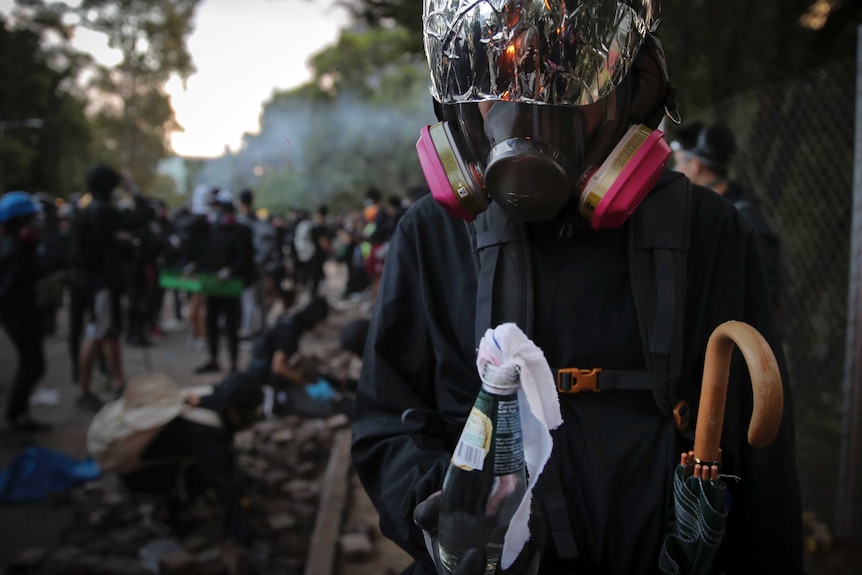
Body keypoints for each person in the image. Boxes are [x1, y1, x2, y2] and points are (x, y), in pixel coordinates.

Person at [350, 2, 804, 575]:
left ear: (629, 87)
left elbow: (765, 477)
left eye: (562, 75)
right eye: (495, 74)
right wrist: (438, 509)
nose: (524, 106)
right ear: (460, 100)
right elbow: (385, 421)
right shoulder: (432, 235)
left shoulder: (708, 232)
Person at [671, 122, 784, 321]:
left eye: (679, 161)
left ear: (695, 165)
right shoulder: (702, 211)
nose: (676, 168)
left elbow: (768, 293)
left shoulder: (743, 217)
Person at [74, 164, 132, 410]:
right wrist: (132, 192)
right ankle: (84, 391)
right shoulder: (104, 211)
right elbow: (134, 221)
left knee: (108, 332)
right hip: (103, 283)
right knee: (97, 332)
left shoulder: (89, 209)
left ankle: (119, 382)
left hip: (96, 282)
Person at [0, 191, 51, 433]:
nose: (38, 222)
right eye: (32, 218)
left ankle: (19, 416)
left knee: (32, 364)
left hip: (22, 314)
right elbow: (9, 289)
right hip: (19, 316)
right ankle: (15, 418)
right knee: (33, 365)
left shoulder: (20, 247)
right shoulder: (16, 250)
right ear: (20, 223)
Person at [194, 190, 254, 374]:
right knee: (212, 324)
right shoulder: (213, 231)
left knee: (231, 326)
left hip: (231, 287)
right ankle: (213, 359)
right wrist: (195, 267)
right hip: (214, 285)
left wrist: (231, 271)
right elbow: (206, 256)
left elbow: (246, 259)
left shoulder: (242, 232)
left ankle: (234, 363)